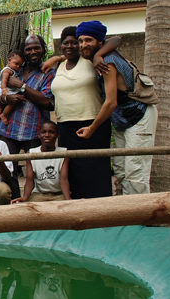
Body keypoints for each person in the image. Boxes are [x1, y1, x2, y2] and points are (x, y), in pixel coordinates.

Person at [77, 20, 157, 195]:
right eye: (81, 40)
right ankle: (126, 212)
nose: (84, 44)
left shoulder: (108, 61)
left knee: (135, 172)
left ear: (100, 42)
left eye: (88, 40)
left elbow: (111, 102)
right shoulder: (97, 58)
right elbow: (114, 40)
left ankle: (140, 217)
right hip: (123, 121)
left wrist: (92, 128)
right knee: (120, 169)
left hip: (138, 116)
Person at [41, 26, 121, 199]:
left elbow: (116, 39)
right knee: (73, 170)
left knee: (97, 169)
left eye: (74, 42)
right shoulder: (59, 66)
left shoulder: (92, 59)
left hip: (93, 124)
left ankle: (101, 209)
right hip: (65, 127)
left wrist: (98, 55)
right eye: (65, 43)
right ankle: (78, 211)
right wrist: (57, 58)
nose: (69, 46)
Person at [0, 35, 56, 199]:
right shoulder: (14, 68)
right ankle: (14, 206)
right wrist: (6, 98)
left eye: (37, 48)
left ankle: (33, 203)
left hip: (34, 132)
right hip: (9, 131)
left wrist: (22, 86)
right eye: (29, 49)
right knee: (8, 171)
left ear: (43, 49)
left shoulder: (48, 73)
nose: (33, 52)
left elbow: (48, 103)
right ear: (23, 51)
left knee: (35, 170)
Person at [12, 121, 71, 203]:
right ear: (39, 135)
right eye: (43, 132)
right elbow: (29, 180)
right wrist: (25, 197)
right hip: (39, 194)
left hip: (59, 195)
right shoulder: (31, 153)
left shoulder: (64, 153)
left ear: (58, 135)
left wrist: (68, 199)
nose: (47, 135)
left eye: (52, 132)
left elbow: (64, 179)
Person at [0, 50, 25, 125]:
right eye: (16, 64)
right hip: (6, 90)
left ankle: (0, 111)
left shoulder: (11, 70)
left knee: (3, 102)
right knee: (13, 101)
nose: (18, 66)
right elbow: (4, 79)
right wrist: (4, 88)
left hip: (4, 89)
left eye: (20, 65)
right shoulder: (8, 70)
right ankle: (4, 114)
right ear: (9, 60)